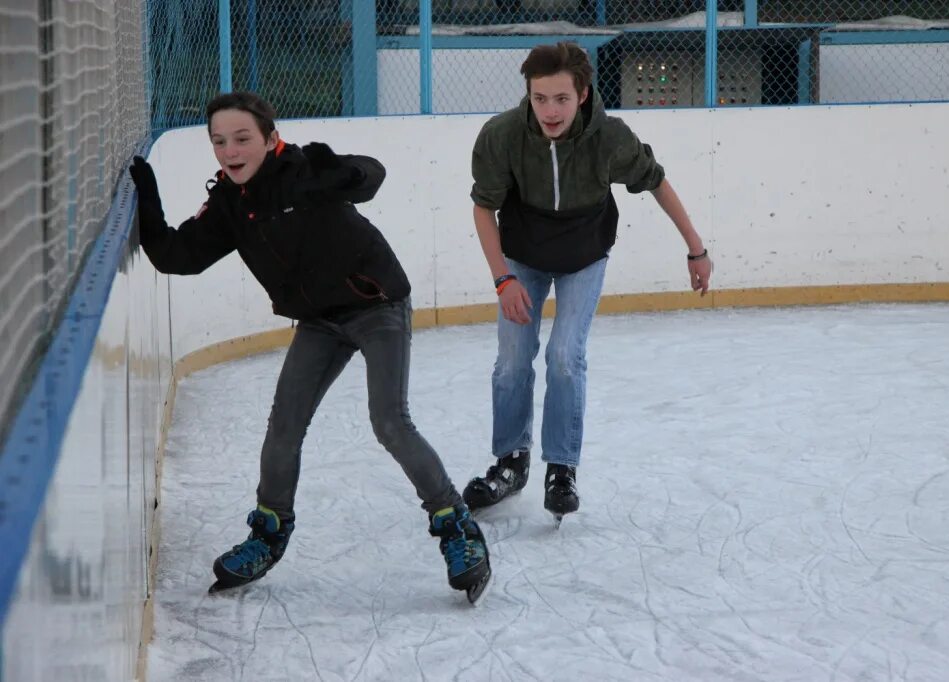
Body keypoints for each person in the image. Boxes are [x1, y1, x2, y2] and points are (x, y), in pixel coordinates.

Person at [129, 91, 490, 600]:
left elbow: (371, 174)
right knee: (284, 426)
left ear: (270, 138)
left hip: (377, 304)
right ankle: (268, 533)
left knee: (389, 421)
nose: (230, 150)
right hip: (320, 321)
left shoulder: (302, 172)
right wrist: (146, 196)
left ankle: (456, 526)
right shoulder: (231, 207)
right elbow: (175, 256)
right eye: (219, 141)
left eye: (242, 138)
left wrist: (346, 172)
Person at [462, 42, 712, 522]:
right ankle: (510, 462)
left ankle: (562, 469)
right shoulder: (502, 135)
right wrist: (503, 279)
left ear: (582, 95)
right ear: (528, 96)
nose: (549, 111)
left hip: (583, 256)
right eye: (539, 99)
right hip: (524, 259)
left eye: (561, 98)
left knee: (564, 357)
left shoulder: (610, 137)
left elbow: (656, 181)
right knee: (513, 358)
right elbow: (483, 206)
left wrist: (696, 248)